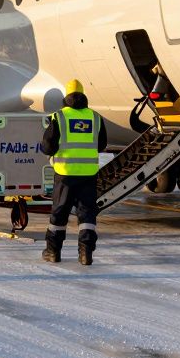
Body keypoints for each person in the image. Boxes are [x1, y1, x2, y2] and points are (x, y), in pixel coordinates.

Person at [41, 79, 107, 265]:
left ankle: (53, 252)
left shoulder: (59, 117)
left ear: (66, 96)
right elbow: (101, 145)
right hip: (88, 174)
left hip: (65, 173)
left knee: (59, 213)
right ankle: (85, 254)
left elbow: (47, 147)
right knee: (87, 215)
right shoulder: (95, 117)